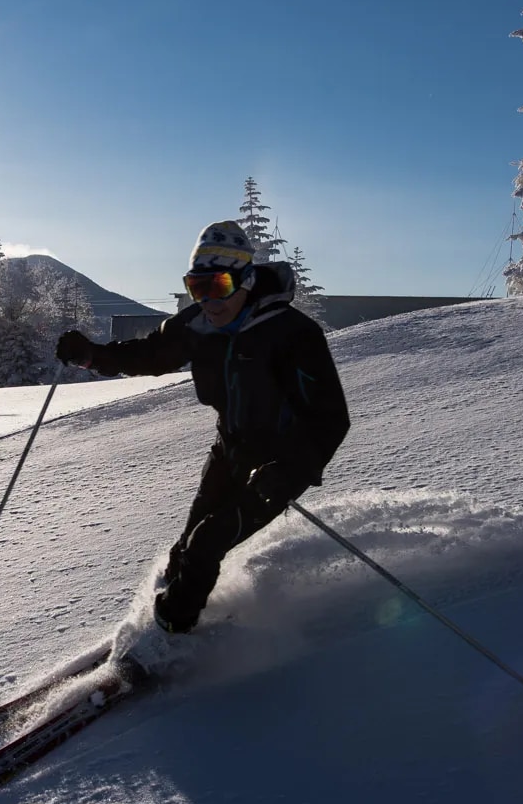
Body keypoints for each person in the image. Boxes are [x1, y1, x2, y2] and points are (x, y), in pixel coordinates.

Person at [56, 220, 349, 634]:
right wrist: (91, 356)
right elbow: (151, 355)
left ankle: (172, 634)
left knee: (207, 543)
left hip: (279, 465)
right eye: (197, 287)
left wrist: (289, 472)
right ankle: (166, 615)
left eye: (220, 285)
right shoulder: (198, 326)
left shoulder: (293, 334)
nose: (209, 299)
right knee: (185, 549)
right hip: (231, 450)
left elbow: (330, 418)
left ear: (246, 279)